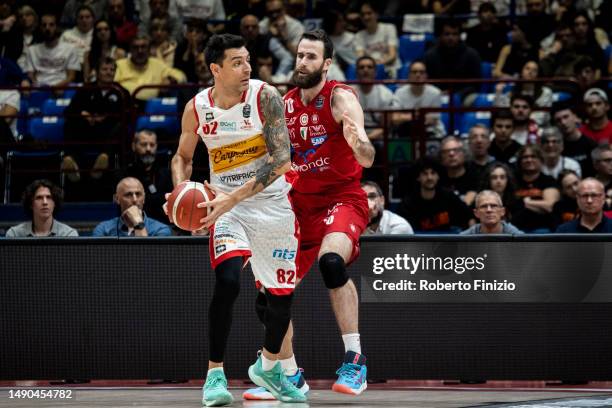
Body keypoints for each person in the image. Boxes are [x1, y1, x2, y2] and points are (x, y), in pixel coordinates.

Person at [167, 34, 306, 405]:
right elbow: (181, 156)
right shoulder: (196, 108)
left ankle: (269, 367)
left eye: (248, 61)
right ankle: (215, 375)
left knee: (280, 301)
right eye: (237, 62)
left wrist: (233, 197)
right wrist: (182, 191)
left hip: (273, 207)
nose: (247, 68)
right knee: (228, 282)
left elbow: (282, 161)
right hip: (225, 210)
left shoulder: (265, 96)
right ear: (216, 69)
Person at [245, 29, 376, 401]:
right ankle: (287, 375)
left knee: (331, 263)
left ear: (327, 64)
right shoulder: (283, 104)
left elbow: (366, 155)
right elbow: (270, 163)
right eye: (300, 55)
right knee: (268, 296)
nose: (303, 62)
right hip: (296, 209)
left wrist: (359, 142)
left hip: (342, 199)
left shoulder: (339, 98)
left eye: (311, 57)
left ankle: (355, 360)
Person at [397, 158, 473, 233]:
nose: (429, 177)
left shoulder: (449, 196)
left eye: (433, 173)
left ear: (438, 176)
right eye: (425, 174)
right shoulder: (408, 203)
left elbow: (469, 215)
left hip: (447, 242)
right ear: (418, 177)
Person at [122, 129, 173, 224]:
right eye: (143, 144)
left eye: (152, 145)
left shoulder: (166, 173)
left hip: (162, 226)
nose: (148, 149)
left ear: (156, 146)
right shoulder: (125, 174)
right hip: (131, 225)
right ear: (134, 146)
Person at [93, 177, 171, 237]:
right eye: (128, 195)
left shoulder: (160, 229)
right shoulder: (103, 229)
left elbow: (146, 255)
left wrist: (138, 224)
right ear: (117, 199)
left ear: (144, 198)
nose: (134, 199)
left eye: (138, 194)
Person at [5, 179, 78, 237]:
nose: (45, 202)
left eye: (49, 197)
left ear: (54, 203)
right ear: (31, 204)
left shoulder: (68, 235)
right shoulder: (14, 234)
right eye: (39, 198)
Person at [23, 13, 80, 87]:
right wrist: (38, 86)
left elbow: (71, 76)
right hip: (40, 87)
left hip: (63, 86)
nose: (47, 28)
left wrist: (59, 86)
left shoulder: (70, 48)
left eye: (51, 25)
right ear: (40, 28)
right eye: (44, 25)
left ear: (57, 27)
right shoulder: (32, 50)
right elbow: (30, 75)